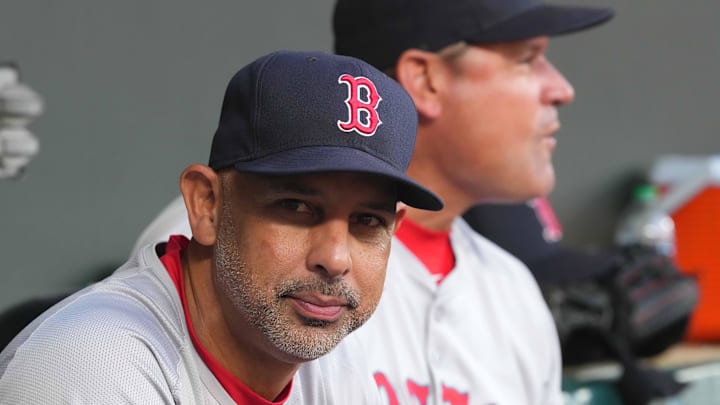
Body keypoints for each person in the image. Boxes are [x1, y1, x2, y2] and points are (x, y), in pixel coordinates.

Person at [0, 50, 442, 404]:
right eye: (296, 206)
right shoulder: (90, 366)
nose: (334, 258)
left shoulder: (335, 363)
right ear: (207, 205)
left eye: (367, 221)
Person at [331, 0, 614, 404]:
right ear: (426, 80)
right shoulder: (302, 280)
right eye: (527, 59)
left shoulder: (511, 291)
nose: (561, 89)